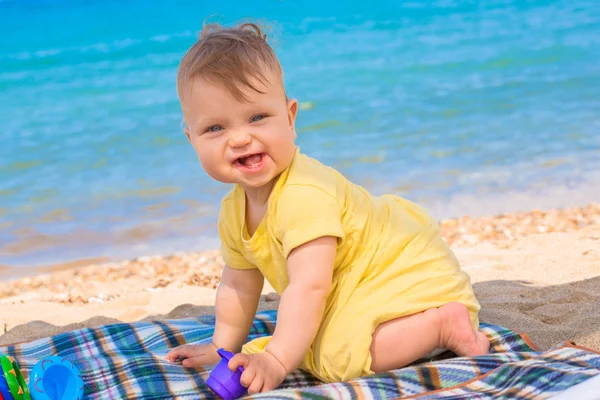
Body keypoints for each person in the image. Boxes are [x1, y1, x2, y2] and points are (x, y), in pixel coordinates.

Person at [165, 21, 489, 394]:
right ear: (192, 139)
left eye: (257, 117)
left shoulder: (304, 194)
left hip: (398, 268)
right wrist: (221, 348)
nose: (240, 137)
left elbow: (309, 286)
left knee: (335, 358)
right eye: (216, 129)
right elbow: (238, 286)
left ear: (290, 117)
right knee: (305, 340)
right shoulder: (233, 210)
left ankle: (442, 323)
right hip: (348, 280)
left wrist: (276, 361)